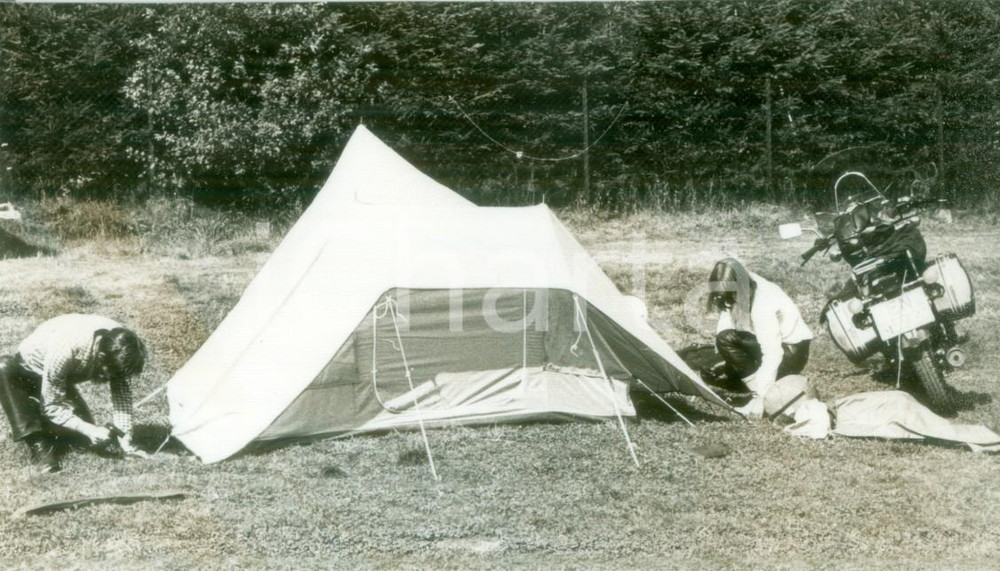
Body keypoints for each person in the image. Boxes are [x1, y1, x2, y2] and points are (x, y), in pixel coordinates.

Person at [0, 314, 149, 473]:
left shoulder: (121, 342)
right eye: (109, 374)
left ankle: (44, 420)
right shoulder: (66, 350)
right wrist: (89, 430)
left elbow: (122, 396)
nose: (109, 379)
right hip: (27, 370)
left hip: (62, 374)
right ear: (101, 357)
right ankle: (38, 443)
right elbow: (51, 406)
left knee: (84, 442)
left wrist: (126, 443)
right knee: (3, 368)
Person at [706, 258, 813, 419]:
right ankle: (761, 388)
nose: (727, 304)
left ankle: (762, 396)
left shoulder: (763, 303)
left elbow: (773, 353)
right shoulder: (745, 282)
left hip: (791, 353)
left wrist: (761, 397)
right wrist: (726, 359)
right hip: (776, 346)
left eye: (729, 298)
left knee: (725, 339)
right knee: (712, 368)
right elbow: (726, 319)